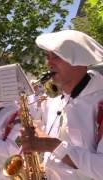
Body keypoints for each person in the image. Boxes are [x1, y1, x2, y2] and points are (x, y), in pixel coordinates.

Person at [22, 30, 103, 180]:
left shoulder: (100, 102)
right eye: (48, 57)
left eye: (57, 56)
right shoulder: (56, 102)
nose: (49, 63)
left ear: (79, 61)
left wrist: (53, 146)